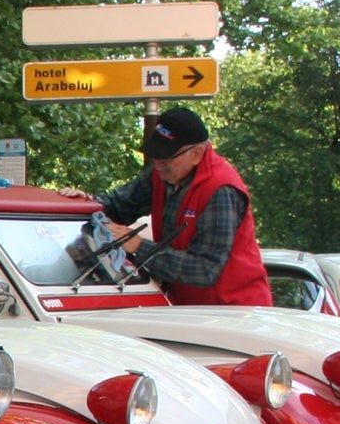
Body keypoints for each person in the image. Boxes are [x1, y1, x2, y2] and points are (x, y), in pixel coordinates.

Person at [86, 106, 271, 307]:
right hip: (189, 308)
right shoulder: (162, 174)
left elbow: (205, 269)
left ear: (197, 154)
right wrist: (84, 203)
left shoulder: (220, 190)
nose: (158, 163)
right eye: (155, 154)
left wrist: (140, 246)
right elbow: (117, 206)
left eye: (167, 156)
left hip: (233, 310)